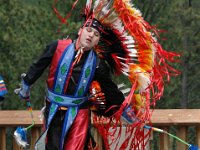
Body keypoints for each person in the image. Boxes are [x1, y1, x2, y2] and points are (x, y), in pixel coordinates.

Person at [16, 0, 180, 150]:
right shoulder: (57, 47)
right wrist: (26, 85)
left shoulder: (97, 64)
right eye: (88, 30)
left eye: (95, 35)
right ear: (81, 31)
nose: (91, 35)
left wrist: (127, 114)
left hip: (79, 115)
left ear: (97, 41)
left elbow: (110, 90)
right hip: (52, 111)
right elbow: (38, 66)